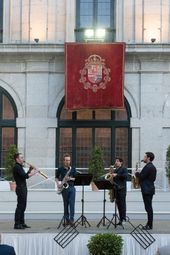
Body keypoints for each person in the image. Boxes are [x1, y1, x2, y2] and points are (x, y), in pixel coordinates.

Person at [13, 153, 38, 229]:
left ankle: (22, 222)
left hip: (23, 188)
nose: (23, 159)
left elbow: (24, 176)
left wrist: (30, 170)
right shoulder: (17, 167)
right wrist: (35, 172)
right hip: (20, 188)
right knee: (20, 206)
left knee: (23, 206)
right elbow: (25, 176)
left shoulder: (20, 167)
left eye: (23, 157)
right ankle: (17, 224)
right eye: (21, 157)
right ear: (17, 159)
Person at [136, 152, 157, 230]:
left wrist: (137, 173)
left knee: (148, 208)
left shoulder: (149, 167)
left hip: (147, 189)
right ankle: (149, 224)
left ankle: (150, 225)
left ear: (148, 158)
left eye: (145, 157)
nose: (143, 158)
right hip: (148, 189)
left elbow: (142, 177)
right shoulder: (151, 166)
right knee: (148, 208)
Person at [55, 153, 76, 226]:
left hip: (72, 187)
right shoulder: (60, 169)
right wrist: (58, 184)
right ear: (63, 161)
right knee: (65, 204)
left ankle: (72, 220)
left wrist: (70, 178)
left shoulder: (72, 169)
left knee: (72, 204)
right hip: (64, 188)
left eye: (69, 160)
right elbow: (56, 177)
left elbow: (76, 178)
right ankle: (66, 220)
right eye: (66, 160)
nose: (68, 162)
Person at [112, 157, 128, 225]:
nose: (116, 162)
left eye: (117, 161)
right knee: (118, 204)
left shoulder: (124, 169)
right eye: (116, 161)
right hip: (116, 189)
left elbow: (125, 176)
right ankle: (120, 219)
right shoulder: (115, 170)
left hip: (122, 189)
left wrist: (117, 175)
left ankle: (123, 219)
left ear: (121, 162)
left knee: (122, 204)